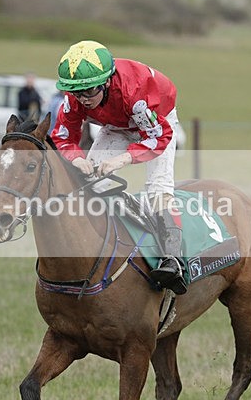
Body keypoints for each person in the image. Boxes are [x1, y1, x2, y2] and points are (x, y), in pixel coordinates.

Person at [51, 40, 187, 294]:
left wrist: (123, 158)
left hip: (157, 123)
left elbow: (158, 137)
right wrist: (77, 158)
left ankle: (173, 260)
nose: (83, 99)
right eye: (77, 92)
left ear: (106, 82)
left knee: (158, 189)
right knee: (90, 180)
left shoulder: (133, 92)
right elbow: (62, 136)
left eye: (89, 91)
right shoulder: (76, 98)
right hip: (117, 124)